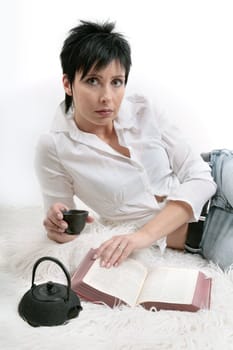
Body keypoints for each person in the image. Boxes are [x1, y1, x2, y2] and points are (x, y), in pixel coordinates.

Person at [35, 20, 233, 271]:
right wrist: (56, 226)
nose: (106, 96)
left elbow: (202, 178)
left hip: (221, 174)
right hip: (204, 236)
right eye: (93, 81)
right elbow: (66, 230)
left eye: (116, 82)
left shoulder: (144, 109)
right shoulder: (54, 147)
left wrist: (143, 237)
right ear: (68, 84)